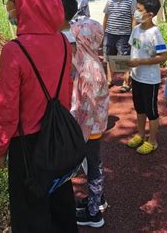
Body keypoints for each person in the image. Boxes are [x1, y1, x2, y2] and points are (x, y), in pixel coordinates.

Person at [0, 0, 78, 233]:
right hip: (57, 137)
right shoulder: (63, 42)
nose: (10, 9)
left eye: (12, 3)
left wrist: (0, 148)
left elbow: (6, 108)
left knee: (30, 210)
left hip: (26, 144)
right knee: (60, 202)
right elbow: (67, 89)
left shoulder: (14, 50)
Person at [70, 19, 109, 228]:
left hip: (88, 128)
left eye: (76, 38)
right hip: (94, 126)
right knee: (93, 165)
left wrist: (77, 131)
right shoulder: (91, 59)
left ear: (84, 40)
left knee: (93, 166)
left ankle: (94, 213)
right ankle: (95, 200)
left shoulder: (87, 68)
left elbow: (87, 107)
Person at [126, 0, 167, 154]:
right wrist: (129, 71)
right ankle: (141, 134)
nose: (136, 12)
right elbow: (133, 51)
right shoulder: (136, 29)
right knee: (139, 108)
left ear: (150, 14)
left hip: (149, 80)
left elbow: (163, 56)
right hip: (136, 76)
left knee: (151, 111)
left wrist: (141, 62)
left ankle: (152, 140)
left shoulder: (154, 34)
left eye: (139, 10)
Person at [103, 0, 136, 93]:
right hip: (110, 33)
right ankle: (109, 80)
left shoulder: (131, 1)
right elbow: (106, 17)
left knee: (123, 57)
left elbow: (134, 18)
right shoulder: (110, 0)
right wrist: (103, 33)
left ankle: (126, 81)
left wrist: (132, 34)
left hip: (124, 34)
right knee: (109, 56)